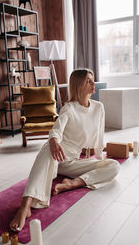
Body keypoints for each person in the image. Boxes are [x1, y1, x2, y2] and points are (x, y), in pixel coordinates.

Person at [10, 68, 120, 231]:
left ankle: (72, 184)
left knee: (114, 166)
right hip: (60, 157)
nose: (92, 84)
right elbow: (56, 129)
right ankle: (25, 205)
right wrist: (54, 141)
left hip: (77, 160)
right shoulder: (69, 108)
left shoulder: (99, 107)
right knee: (47, 148)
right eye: (87, 81)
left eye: (92, 80)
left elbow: (100, 133)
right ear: (78, 85)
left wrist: (99, 156)